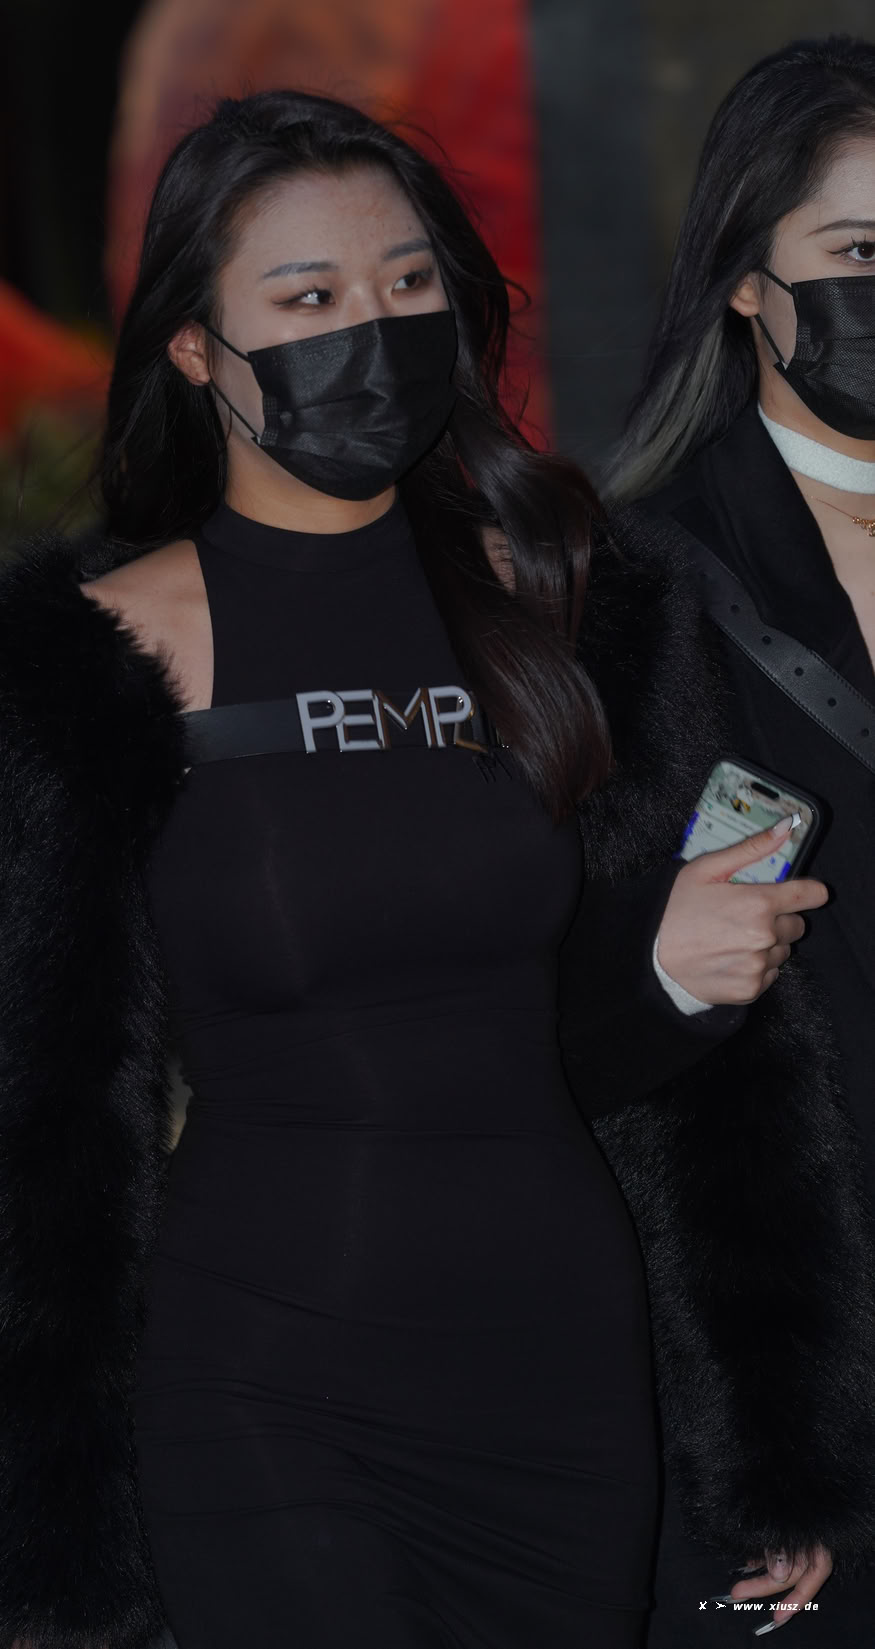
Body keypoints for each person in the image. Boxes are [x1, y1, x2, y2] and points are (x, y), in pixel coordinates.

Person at [0, 91, 873, 1649]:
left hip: (564, 1387)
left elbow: (707, 1098)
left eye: (409, 281)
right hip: (268, 1390)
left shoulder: (577, 606)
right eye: (308, 299)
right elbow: (45, 1142)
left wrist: (780, 1448)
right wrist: (47, 1565)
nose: (370, 330)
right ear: (196, 349)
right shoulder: (80, 667)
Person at [608, 34, 875, 1645]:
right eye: (862, 255)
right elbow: (612, 1046)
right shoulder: (634, 585)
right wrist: (757, 1444)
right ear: (744, 283)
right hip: (811, 1368)